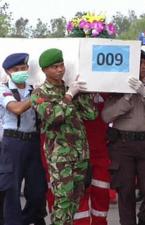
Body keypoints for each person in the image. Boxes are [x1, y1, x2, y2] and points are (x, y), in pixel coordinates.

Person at [101, 50, 145, 225]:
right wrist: (126, 97)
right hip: (122, 144)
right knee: (125, 192)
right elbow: (106, 116)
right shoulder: (117, 89)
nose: (144, 67)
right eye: (140, 64)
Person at [31, 48, 98, 225]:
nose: (60, 69)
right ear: (45, 70)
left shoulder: (71, 89)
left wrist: (83, 93)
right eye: (55, 67)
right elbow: (54, 117)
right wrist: (69, 96)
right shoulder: (39, 93)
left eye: (61, 65)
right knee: (63, 200)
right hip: (60, 155)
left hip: (80, 153)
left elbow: (91, 115)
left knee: (76, 198)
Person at [0, 53, 47, 225]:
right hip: (12, 143)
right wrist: (37, 95)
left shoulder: (32, 88)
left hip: (33, 143)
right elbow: (17, 108)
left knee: (37, 189)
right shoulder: (3, 89)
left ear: (28, 69)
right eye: (16, 69)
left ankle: (27, 220)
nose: (20, 71)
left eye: (23, 68)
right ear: (8, 71)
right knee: (11, 189)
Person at [73, 93, 111, 225]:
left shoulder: (106, 92)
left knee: (101, 192)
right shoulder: (71, 91)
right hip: (77, 151)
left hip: (100, 150)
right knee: (79, 194)